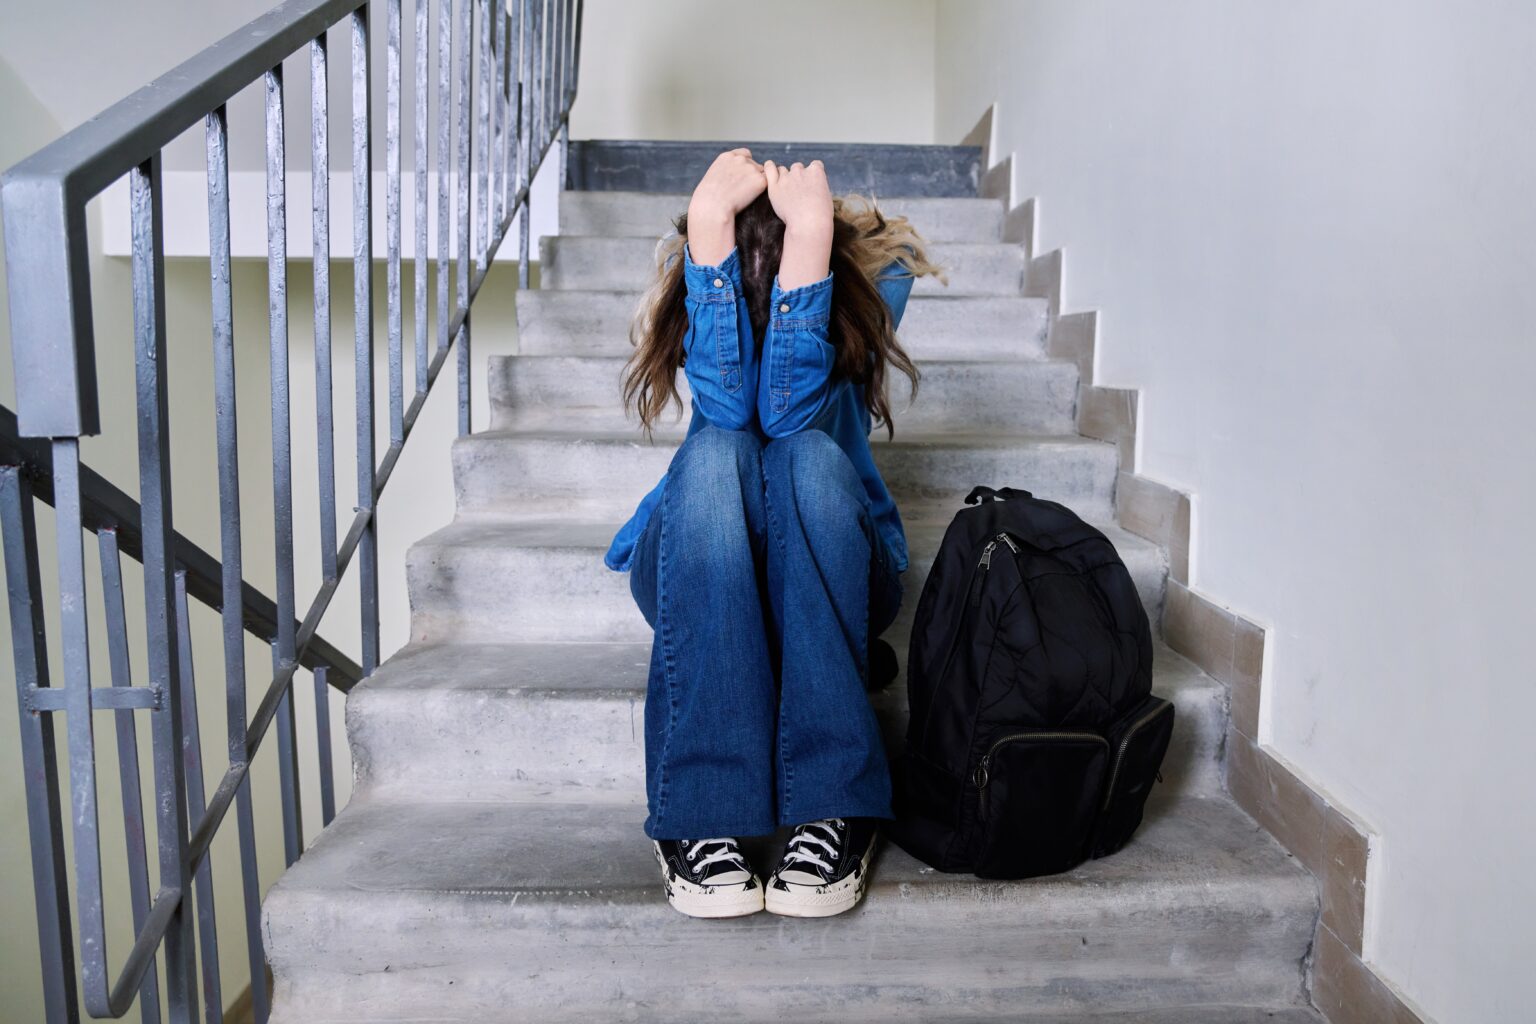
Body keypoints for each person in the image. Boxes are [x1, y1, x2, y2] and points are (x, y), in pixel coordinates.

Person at [604, 149, 942, 918]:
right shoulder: (702, 269)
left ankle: (834, 805)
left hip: (827, 556)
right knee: (721, 445)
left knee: (809, 456)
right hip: (702, 552)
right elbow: (728, 409)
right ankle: (700, 815)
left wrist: (814, 240)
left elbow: (788, 414)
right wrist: (710, 234)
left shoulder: (868, 284)